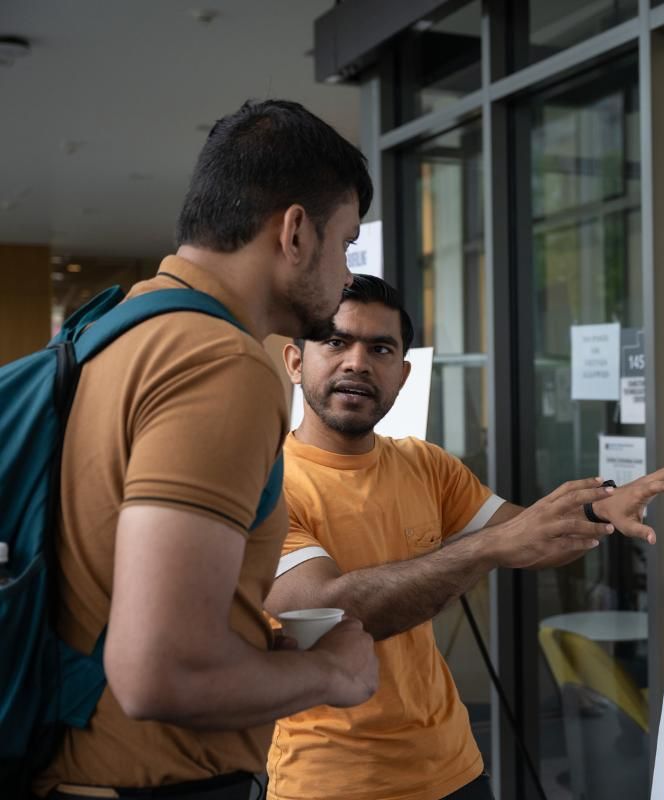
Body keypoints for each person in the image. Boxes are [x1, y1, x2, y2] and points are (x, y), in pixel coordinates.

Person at [38, 100, 383, 799]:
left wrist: (242, 643)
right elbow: (162, 672)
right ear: (293, 231)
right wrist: (334, 673)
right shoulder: (221, 364)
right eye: (345, 242)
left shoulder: (113, 333)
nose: (348, 274)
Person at [265, 274, 664, 800]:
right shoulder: (267, 485)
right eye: (336, 341)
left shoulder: (422, 463)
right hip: (332, 782)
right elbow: (329, 610)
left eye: (379, 348)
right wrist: (487, 549)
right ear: (296, 361)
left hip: (455, 768)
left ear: (402, 375)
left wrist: (602, 505)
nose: (357, 362)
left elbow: (528, 535)